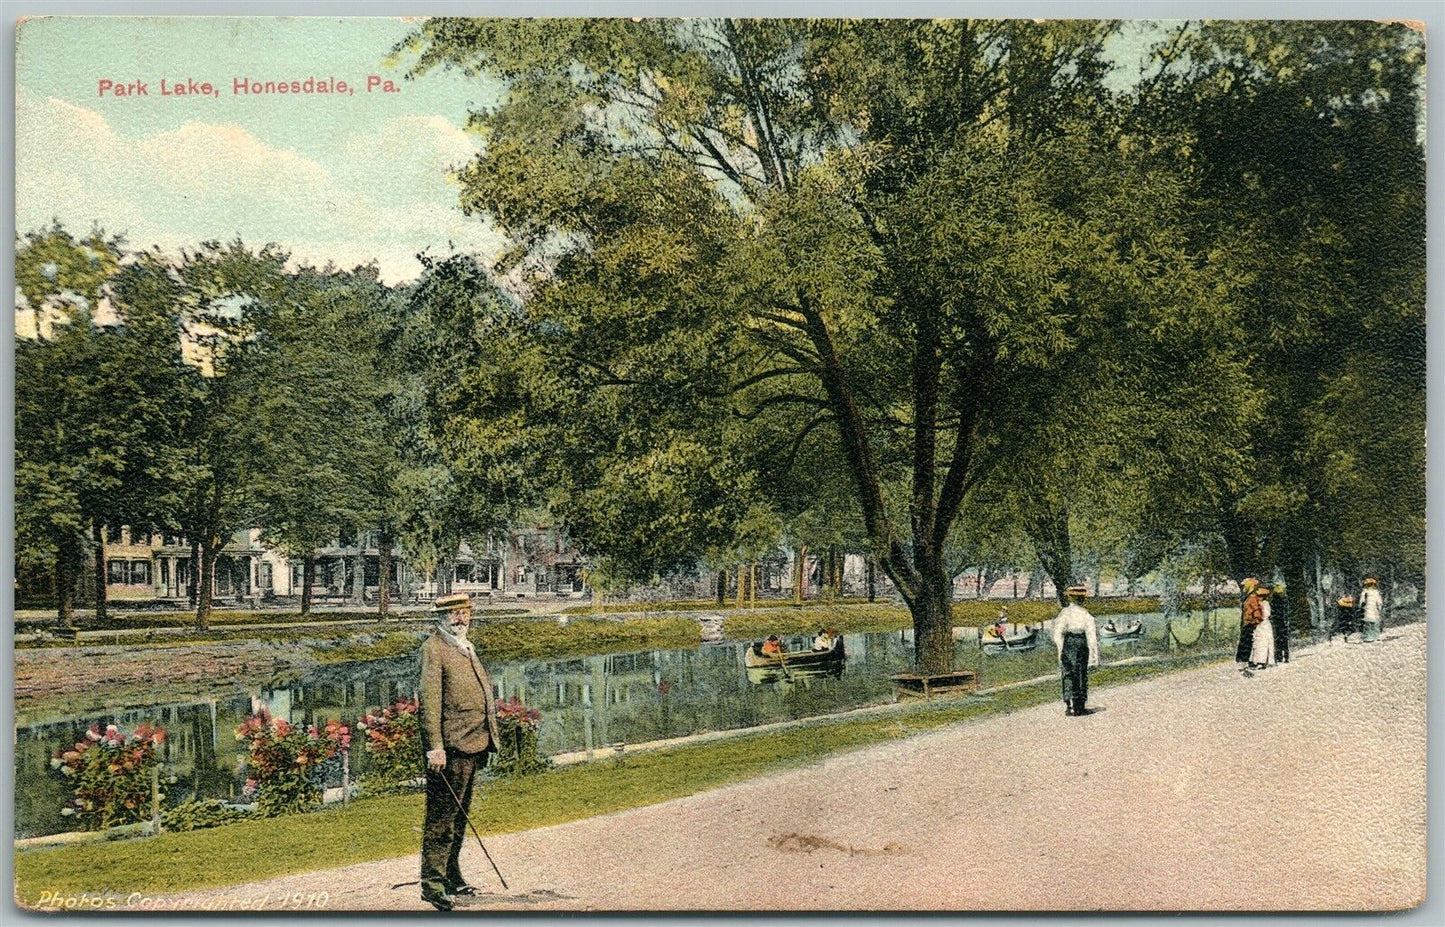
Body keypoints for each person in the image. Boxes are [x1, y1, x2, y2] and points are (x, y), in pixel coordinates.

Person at [419, 593, 502, 911]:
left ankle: (451, 876)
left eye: (464, 612)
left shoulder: (465, 646)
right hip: (450, 749)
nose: (460, 618)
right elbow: (429, 703)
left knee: (459, 817)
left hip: (473, 743)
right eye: (452, 613)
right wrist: (435, 747)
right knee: (442, 818)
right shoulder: (434, 649)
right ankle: (432, 884)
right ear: (439, 617)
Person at [1052, 584, 1100, 717]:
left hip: (1068, 643)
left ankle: (1070, 705)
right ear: (1082, 599)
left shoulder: (1065, 613)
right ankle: (1079, 706)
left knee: (1068, 673)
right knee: (1080, 673)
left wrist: (1060, 649)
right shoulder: (1086, 615)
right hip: (1080, 643)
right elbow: (1091, 637)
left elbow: (1057, 633)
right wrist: (1094, 656)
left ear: (1070, 598)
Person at [1247, 586, 1276, 670]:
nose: (1259, 597)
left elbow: (1266, 614)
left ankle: (1262, 661)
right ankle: (1255, 661)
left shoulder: (1265, 604)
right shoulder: (1257, 603)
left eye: (1260, 596)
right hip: (1259, 624)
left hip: (1264, 624)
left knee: (1264, 642)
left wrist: (1259, 617)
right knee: (1257, 642)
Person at [1235, 577, 1262, 665]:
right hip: (1246, 622)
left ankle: (1245, 659)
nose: (1244, 588)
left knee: (1247, 641)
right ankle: (1242, 658)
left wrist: (1254, 621)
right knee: (1245, 640)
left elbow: (1257, 612)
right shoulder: (1249, 597)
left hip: (1250, 623)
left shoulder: (1252, 597)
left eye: (1245, 586)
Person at [1359, 577, 1384, 642]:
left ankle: (1369, 637)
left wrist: (1361, 607)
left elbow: (1361, 601)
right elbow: (1379, 601)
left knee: (1369, 624)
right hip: (1373, 609)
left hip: (1368, 609)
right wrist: (1380, 607)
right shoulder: (1375, 592)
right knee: (1373, 623)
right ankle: (1374, 637)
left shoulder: (1365, 592)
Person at [1271, 579, 1290, 664]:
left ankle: (1279, 656)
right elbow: (1286, 611)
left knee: (1278, 639)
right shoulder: (1284, 600)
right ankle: (1286, 656)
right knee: (1284, 640)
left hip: (1277, 621)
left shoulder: (1273, 600)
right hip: (1282, 621)